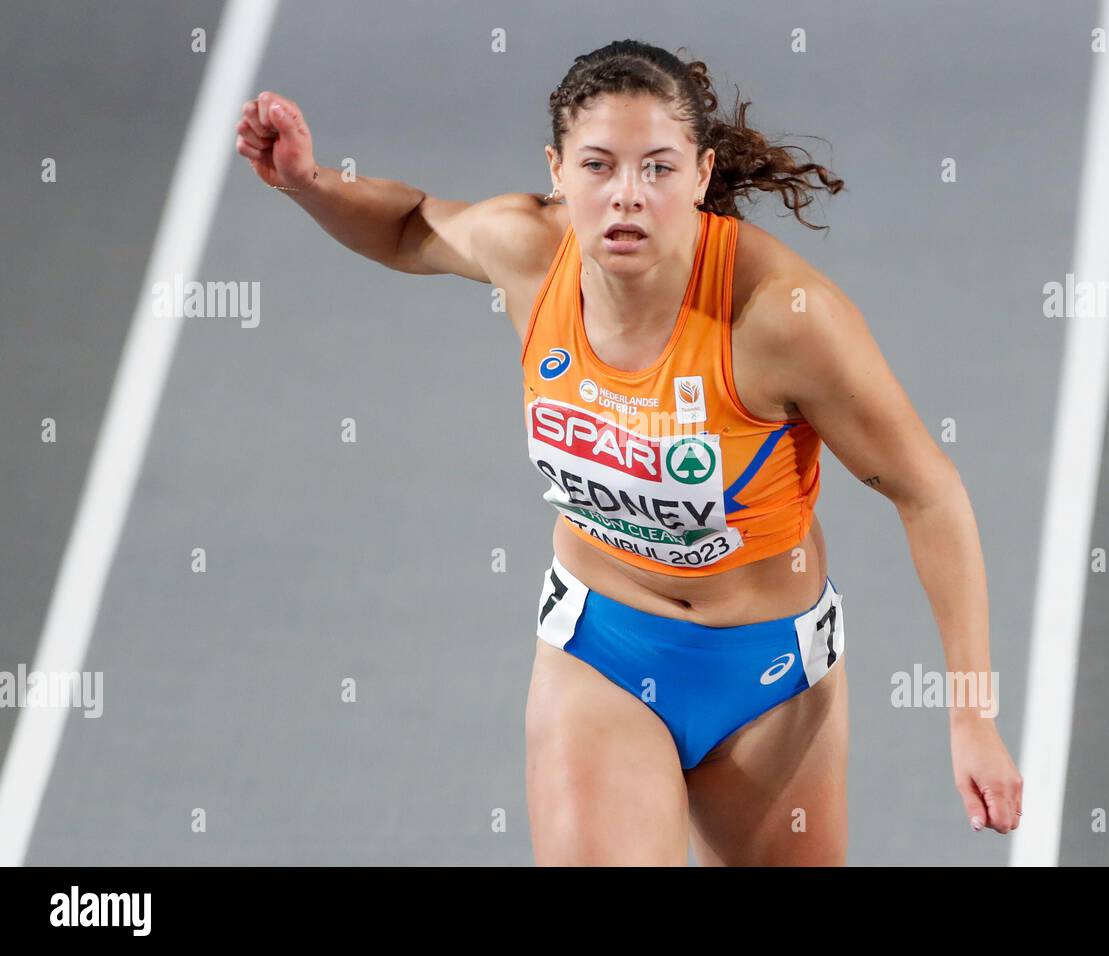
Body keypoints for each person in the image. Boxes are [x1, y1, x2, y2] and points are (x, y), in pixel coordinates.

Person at [235, 38, 1022, 866]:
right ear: (557, 170)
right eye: (600, 166)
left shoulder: (784, 319)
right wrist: (308, 183)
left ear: (703, 174)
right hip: (602, 652)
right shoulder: (527, 253)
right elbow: (408, 226)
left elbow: (928, 492)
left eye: (658, 168)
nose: (627, 198)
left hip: (772, 681)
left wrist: (970, 715)